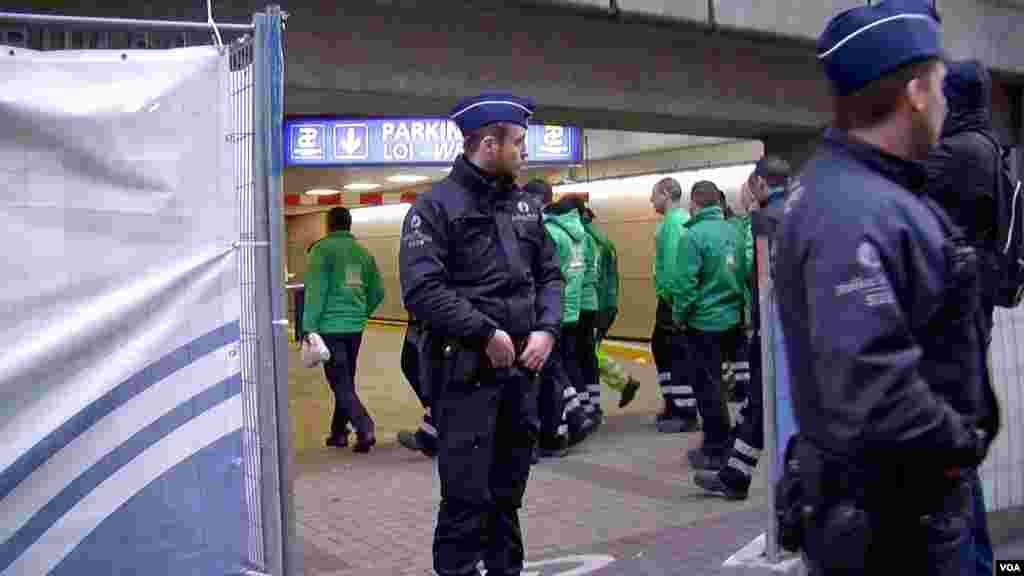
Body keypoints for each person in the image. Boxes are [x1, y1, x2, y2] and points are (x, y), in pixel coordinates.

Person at [774, 2, 1000, 574]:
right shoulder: (855, 210)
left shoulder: (858, 190)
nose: (948, 104)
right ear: (918, 93)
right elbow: (873, 385)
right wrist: (959, 441)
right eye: (942, 87)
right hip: (894, 527)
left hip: (890, 511)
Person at [398, 93, 562, 576]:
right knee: (466, 499)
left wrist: (547, 329)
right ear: (488, 145)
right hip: (464, 376)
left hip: (519, 379)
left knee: (507, 497)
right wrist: (485, 331)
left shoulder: (525, 208)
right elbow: (422, 290)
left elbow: (550, 274)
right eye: (519, 143)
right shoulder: (434, 208)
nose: (526, 153)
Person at [924, 59, 1002, 576]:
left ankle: (975, 563)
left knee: (951, 442)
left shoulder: (954, 153)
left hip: (956, 308)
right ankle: (983, 562)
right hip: (980, 302)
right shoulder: (992, 148)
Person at [695, 156, 791, 499]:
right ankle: (736, 474)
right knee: (758, 404)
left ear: (761, 184)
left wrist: (752, 213)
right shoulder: (800, 212)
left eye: (751, 186)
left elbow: (760, 278)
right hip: (795, 329)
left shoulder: (764, 221)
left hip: (773, 331)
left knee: (764, 403)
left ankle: (740, 478)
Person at [671, 180, 744, 471]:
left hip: (703, 323)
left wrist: (679, 315)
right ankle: (729, 442)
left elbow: (686, 284)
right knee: (726, 385)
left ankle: (715, 449)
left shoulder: (692, 236)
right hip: (732, 319)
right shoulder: (735, 231)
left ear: (695, 203)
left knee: (708, 387)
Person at [302, 206, 385, 453]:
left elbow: (316, 291)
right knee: (345, 379)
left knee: (339, 381)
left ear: (328, 225)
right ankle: (339, 433)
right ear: (349, 225)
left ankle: (364, 426)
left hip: (330, 327)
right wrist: (362, 312)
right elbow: (377, 292)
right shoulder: (363, 253)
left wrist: (308, 327)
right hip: (354, 327)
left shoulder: (321, 250)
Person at [539, 191, 594, 450]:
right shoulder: (582, 236)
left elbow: (547, 275)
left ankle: (565, 423)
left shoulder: (552, 233)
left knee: (550, 370)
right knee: (562, 365)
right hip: (573, 310)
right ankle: (577, 412)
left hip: (553, 311)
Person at [649, 177, 698, 433]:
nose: (651, 200)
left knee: (676, 352)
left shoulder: (673, 224)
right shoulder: (678, 222)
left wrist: (671, 299)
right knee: (661, 347)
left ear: (666, 194)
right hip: (670, 298)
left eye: (654, 195)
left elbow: (672, 267)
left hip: (672, 299)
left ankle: (684, 410)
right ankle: (672, 402)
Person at [583, 206, 640, 408]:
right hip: (607, 304)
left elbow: (593, 276)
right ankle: (623, 383)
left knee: (588, 351)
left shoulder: (590, 241)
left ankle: (623, 383)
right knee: (590, 349)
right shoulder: (604, 240)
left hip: (597, 304)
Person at [576, 199, 602, 426]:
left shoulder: (577, 238)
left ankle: (583, 407)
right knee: (588, 356)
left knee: (574, 357)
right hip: (592, 302)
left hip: (578, 305)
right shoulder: (595, 239)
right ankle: (594, 404)